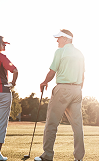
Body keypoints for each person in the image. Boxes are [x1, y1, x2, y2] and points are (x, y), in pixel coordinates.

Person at [35, 29, 84, 161]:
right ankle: (79, 157)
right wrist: (79, 89)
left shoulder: (60, 52)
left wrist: (44, 82)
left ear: (66, 39)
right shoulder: (80, 53)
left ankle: (47, 155)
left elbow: (52, 72)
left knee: (51, 123)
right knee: (77, 125)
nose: (57, 40)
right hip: (77, 90)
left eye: (59, 38)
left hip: (63, 89)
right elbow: (83, 75)